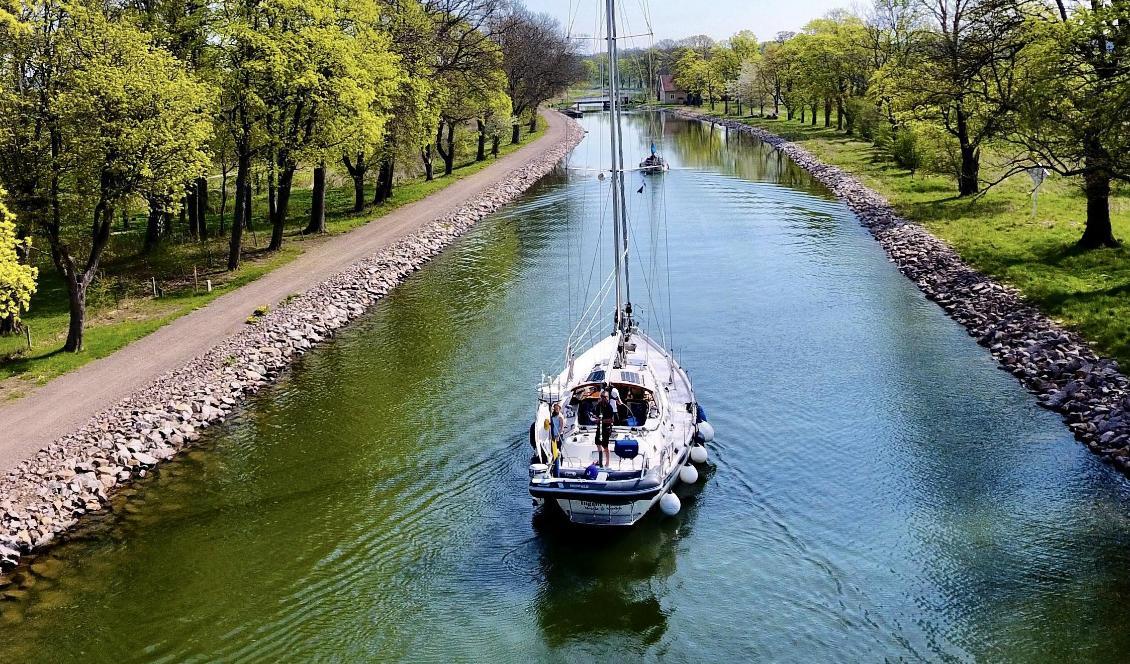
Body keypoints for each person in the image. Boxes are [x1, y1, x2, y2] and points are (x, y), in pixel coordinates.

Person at [596, 393, 615, 467]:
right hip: (599, 428)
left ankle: (607, 462)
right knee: (598, 444)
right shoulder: (598, 406)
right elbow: (597, 416)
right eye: (602, 397)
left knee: (605, 446)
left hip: (606, 429)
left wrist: (602, 420)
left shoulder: (609, 407)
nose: (603, 398)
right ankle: (600, 461)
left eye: (605, 397)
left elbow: (611, 420)